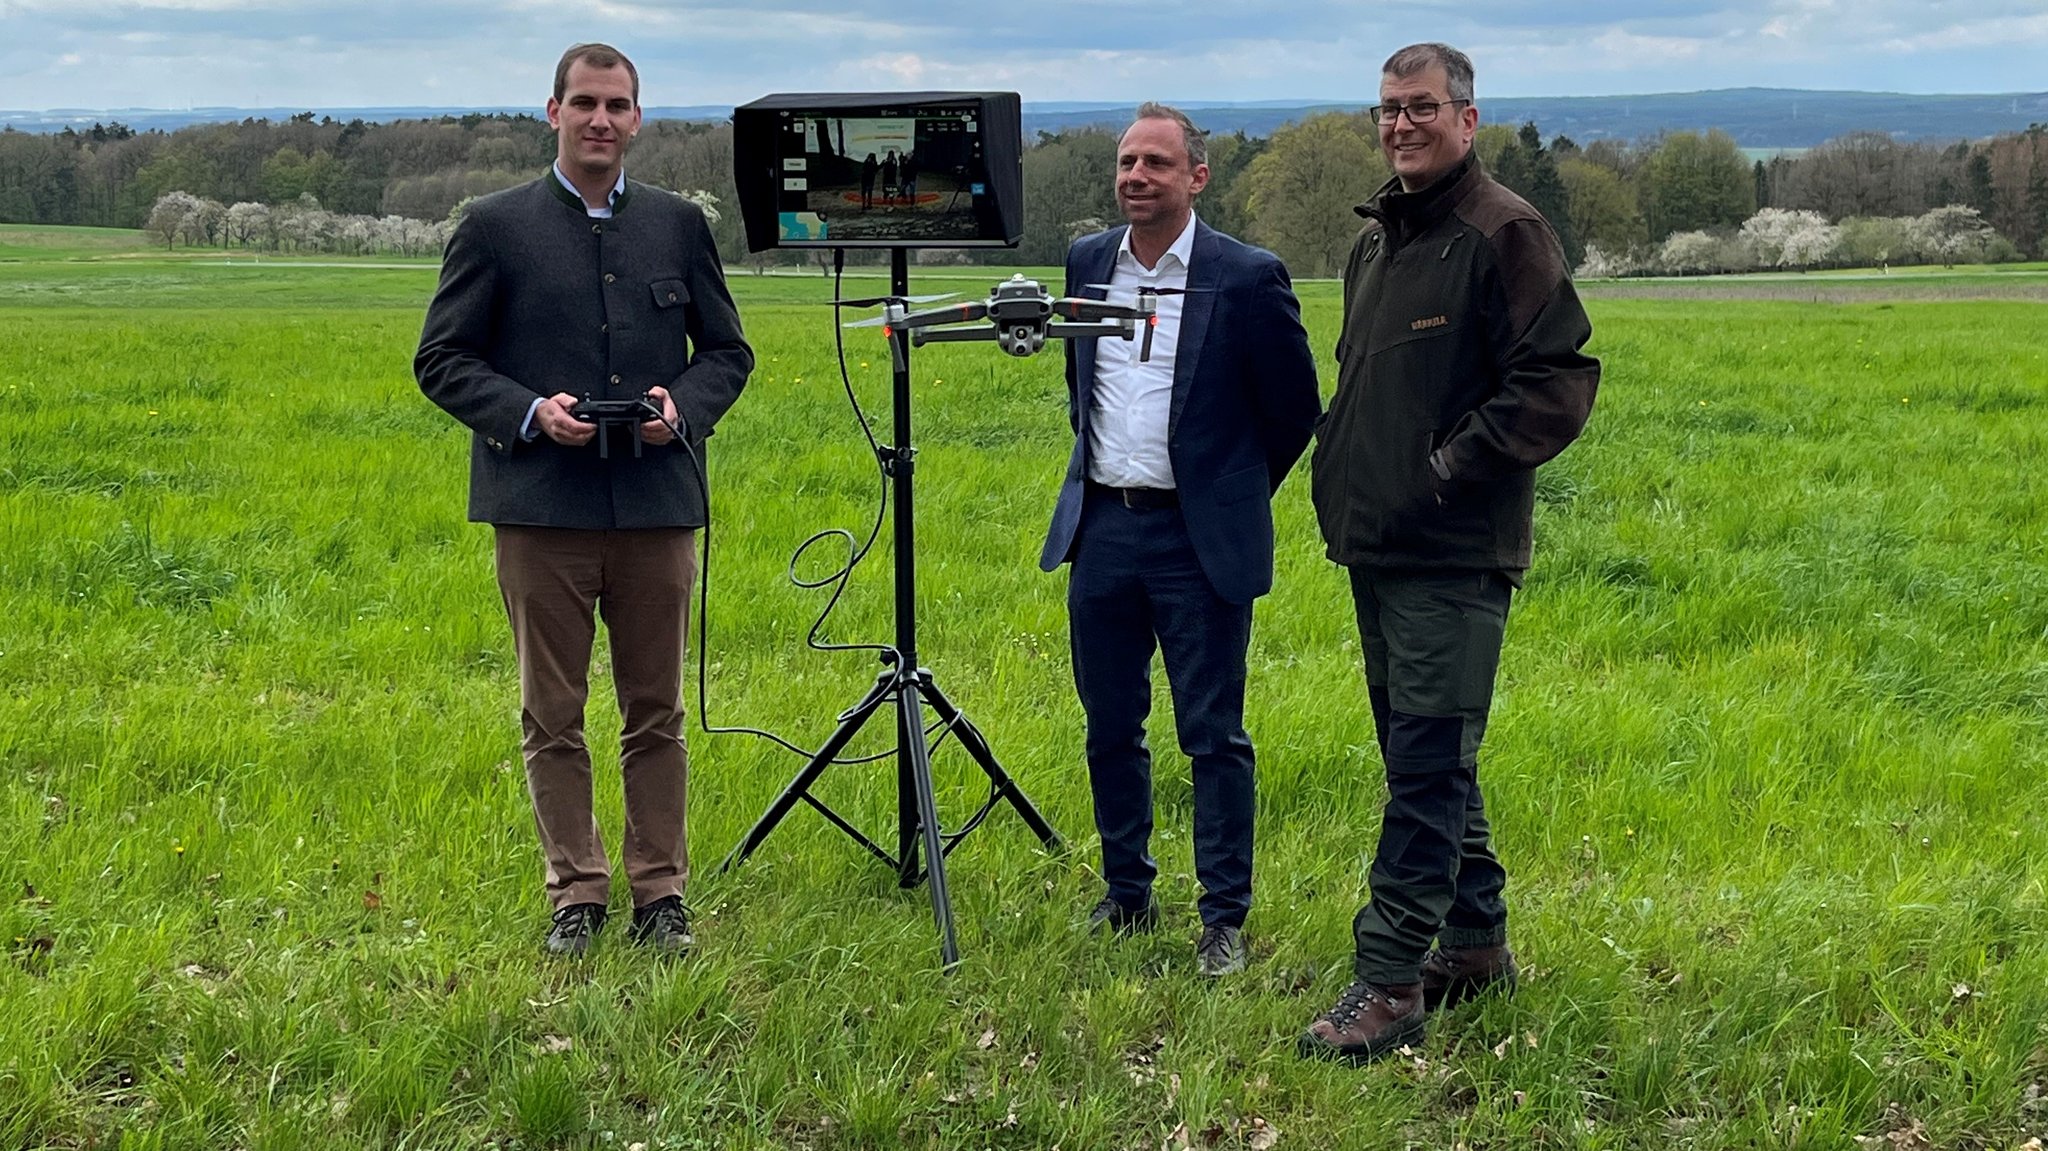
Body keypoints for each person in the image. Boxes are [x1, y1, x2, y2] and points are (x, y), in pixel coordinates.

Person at [415, 42, 753, 958]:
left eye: (618, 105)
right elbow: (441, 358)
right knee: (552, 715)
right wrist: (528, 412)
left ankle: (661, 896)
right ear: (552, 111)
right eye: (585, 103)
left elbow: (728, 352)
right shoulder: (494, 225)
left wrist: (680, 407)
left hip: (654, 506)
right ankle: (576, 893)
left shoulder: (680, 226)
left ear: (638, 119)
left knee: (658, 711)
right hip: (540, 509)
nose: (601, 119)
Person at [1297, 43, 1598, 1061]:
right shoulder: (1379, 240)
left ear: (1466, 120)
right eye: (1386, 108)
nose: (1400, 123)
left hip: (1451, 550)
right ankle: (1471, 945)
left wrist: (1447, 466)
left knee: (1423, 766)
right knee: (1424, 756)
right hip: (1376, 543)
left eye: (1421, 107)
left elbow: (1555, 379)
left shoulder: (1501, 230)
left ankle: (1387, 981)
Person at [1041, 103, 1320, 977]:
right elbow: (1079, 383)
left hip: (1196, 542)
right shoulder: (1088, 262)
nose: (1136, 176)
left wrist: (1223, 494)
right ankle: (1127, 895)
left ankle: (1222, 918)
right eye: (1127, 161)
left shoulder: (1245, 276)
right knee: (1110, 726)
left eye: (1157, 163)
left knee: (1213, 735)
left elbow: (1293, 410)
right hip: (1103, 532)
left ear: (1196, 177)